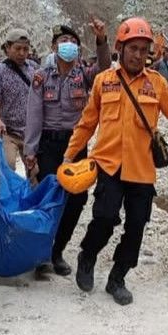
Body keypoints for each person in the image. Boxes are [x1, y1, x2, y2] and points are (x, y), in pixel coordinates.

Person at [65, 17, 168, 305]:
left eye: (143, 49)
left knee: (136, 225)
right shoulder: (104, 82)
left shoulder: (157, 84)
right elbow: (86, 124)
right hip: (109, 166)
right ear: (120, 49)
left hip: (141, 170)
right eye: (133, 48)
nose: (138, 54)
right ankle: (87, 255)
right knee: (104, 217)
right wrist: (68, 155)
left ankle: (117, 278)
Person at [23, 19, 111, 276]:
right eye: (63, 42)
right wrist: (30, 153)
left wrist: (102, 40)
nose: (68, 46)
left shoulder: (83, 74)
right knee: (50, 198)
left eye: (73, 42)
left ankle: (57, 251)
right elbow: (34, 115)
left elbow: (105, 69)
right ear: (53, 46)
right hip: (48, 146)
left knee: (77, 198)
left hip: (75, 146)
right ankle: (41, 255)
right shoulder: (41, 77)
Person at [0, 27, 37, 171]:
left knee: (35, 173)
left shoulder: (34, 68)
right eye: (17, 49)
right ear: (7, 48)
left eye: (25, 49)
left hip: (30, 133)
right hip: (8, 132)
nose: (22, 53)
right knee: (8, 167)